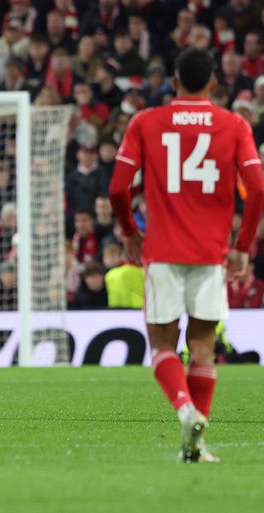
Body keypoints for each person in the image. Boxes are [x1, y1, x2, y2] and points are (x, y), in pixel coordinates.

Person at [109, 48, 264, 463]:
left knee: (162, 345)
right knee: (202, 347)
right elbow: (258, 188)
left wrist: (130, 233)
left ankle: (185, 411)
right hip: (211, 255)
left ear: (174, 82)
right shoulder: (234, 124)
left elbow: (118, 187)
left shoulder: (146, 122)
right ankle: (197, 443)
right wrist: (242, 247)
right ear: (213, 83)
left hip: (162, 252)